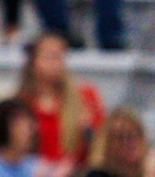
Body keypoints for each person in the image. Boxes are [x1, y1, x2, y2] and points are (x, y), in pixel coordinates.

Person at [17, 30, 104, 165]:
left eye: (60, 57)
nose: (56, 63)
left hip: (75, 172)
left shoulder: (85, 96)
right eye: (50, 57)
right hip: (34, 173)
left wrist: (88, 129)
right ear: (33, 62)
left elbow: (101, 143)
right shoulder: (21, 102)